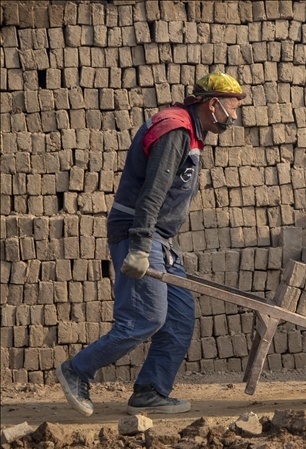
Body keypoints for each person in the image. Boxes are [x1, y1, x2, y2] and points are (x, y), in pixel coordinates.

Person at [55, 72, 246, 416]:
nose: (234, 116)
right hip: (139, 232)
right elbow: (153, 192)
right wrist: (141, 246)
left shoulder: (191, 133)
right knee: (145, 318)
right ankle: (78, 370)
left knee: (179, 318)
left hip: (161, 240)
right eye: (232, 108)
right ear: (213, 104)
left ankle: (150, 391)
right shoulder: (175, 131)